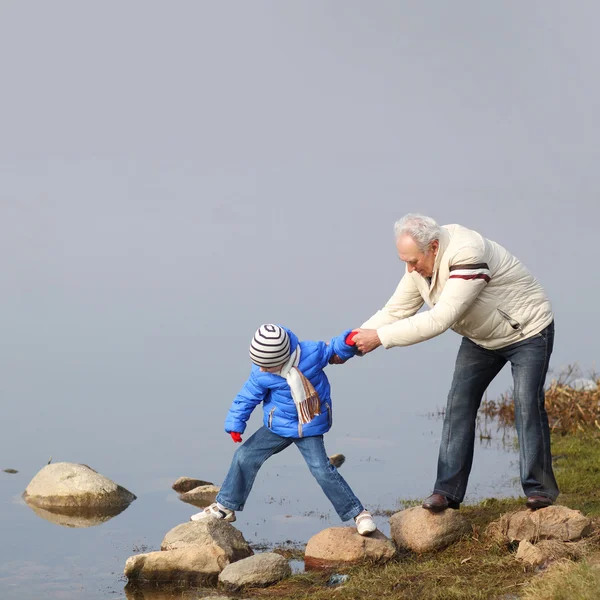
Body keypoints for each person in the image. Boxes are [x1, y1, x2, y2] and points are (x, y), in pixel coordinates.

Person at [351, 214, 558, 511]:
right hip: (482, 337)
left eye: (412, 261)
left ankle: (540, 491)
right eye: (404, 262)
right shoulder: (419, 265)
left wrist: (380, 338)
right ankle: (446, 492)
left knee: (526, 402)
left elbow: (440, 319)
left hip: (527, 330)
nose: (409, 269)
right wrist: (351, 341)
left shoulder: (468, 253)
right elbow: (395, 310)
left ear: (433, 247)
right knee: (459, 404)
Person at [190, 324, 377, 535]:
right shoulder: (261, 373)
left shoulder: (310, 354)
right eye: (258, 364)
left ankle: (359, 513)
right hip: (278, 424)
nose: (261, 369)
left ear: (281, 359)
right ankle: (225, 507)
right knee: (244, 456)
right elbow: (247, 397)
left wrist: (348, 342)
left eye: (266, 365)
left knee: (321, 469)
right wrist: (235, 423)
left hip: (310, 424)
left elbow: (333, 349)